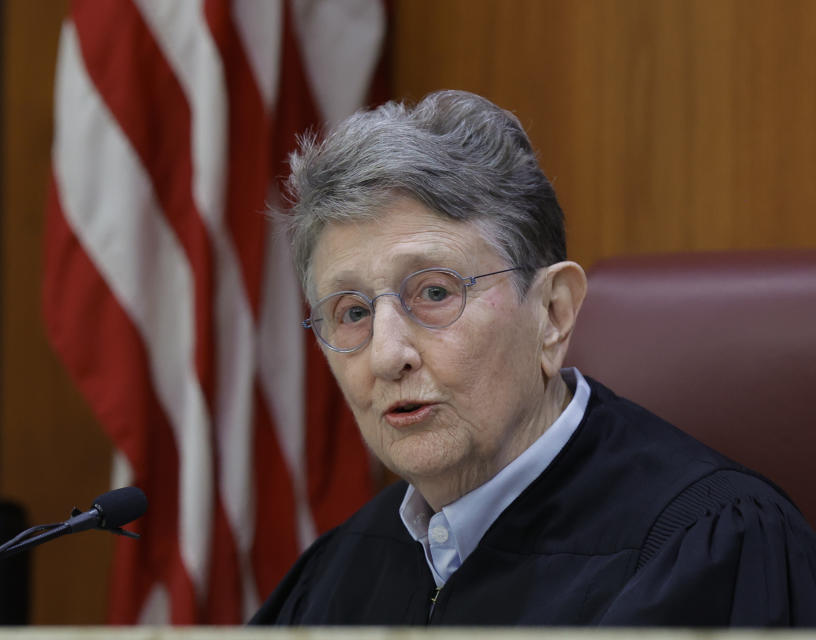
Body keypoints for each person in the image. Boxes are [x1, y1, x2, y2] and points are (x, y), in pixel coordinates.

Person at [251, 90, 816, 626]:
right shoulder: (335, 576)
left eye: (435, 293)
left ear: (552, 313)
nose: (386, 356)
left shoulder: (712, 548)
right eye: (352, 312)